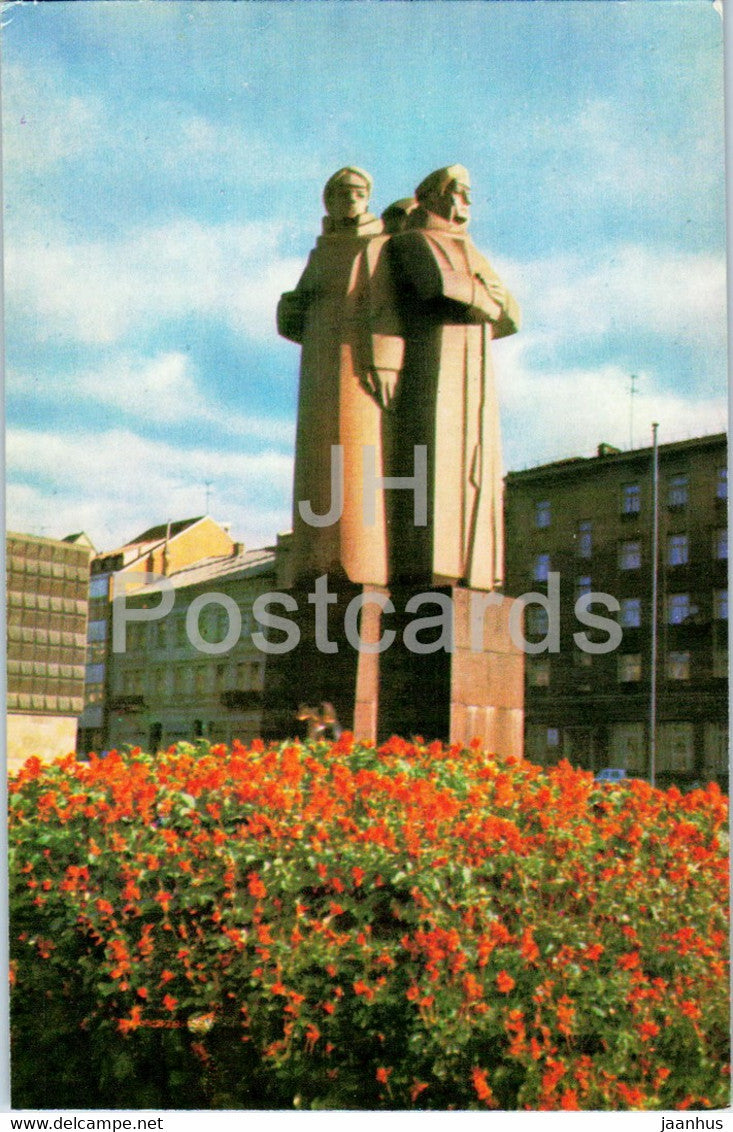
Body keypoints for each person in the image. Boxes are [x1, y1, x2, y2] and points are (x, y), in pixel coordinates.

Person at [386, 165, 520, 591]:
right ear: (436, 195)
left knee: (476, 461)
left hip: (476, 367)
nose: (468, 201)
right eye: (460, 192)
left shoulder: (472, 249)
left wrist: (484, 298)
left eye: (469, 193)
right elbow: (441, 286)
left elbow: (513, 313)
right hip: (434, 358)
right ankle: (434, 563)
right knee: (438, 457)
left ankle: (472, 568)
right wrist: (487, 297)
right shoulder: (414, 240)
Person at [277, 167, 404, 586]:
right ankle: (318, 562)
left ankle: (357, 564)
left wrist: (385, 361)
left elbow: (388, 308)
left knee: (356, 459)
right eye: (341, 194)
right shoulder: (322, 250)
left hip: (356, 364)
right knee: (317, 464)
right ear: (328, 201)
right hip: (318, 363)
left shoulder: (380, 245)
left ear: (368, 198)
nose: (350, 200)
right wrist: (290, 308)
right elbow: (301, 303)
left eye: (358, 193)